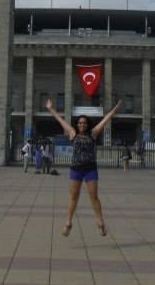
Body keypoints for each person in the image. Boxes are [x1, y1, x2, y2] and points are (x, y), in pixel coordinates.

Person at [46, 98, 123, 237]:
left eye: (84, 123)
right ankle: (68, 223)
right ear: (77, 124)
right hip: (76, 169)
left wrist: (115, 110)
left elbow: (105, 120)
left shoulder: (93, 134)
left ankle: (100, 223)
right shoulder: (72, 133)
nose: (82, 125)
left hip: (90, 170)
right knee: (73, 196)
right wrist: (51, 109)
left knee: (94, 197)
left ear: (87, 125)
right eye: (80, 123)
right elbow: (60, 120)